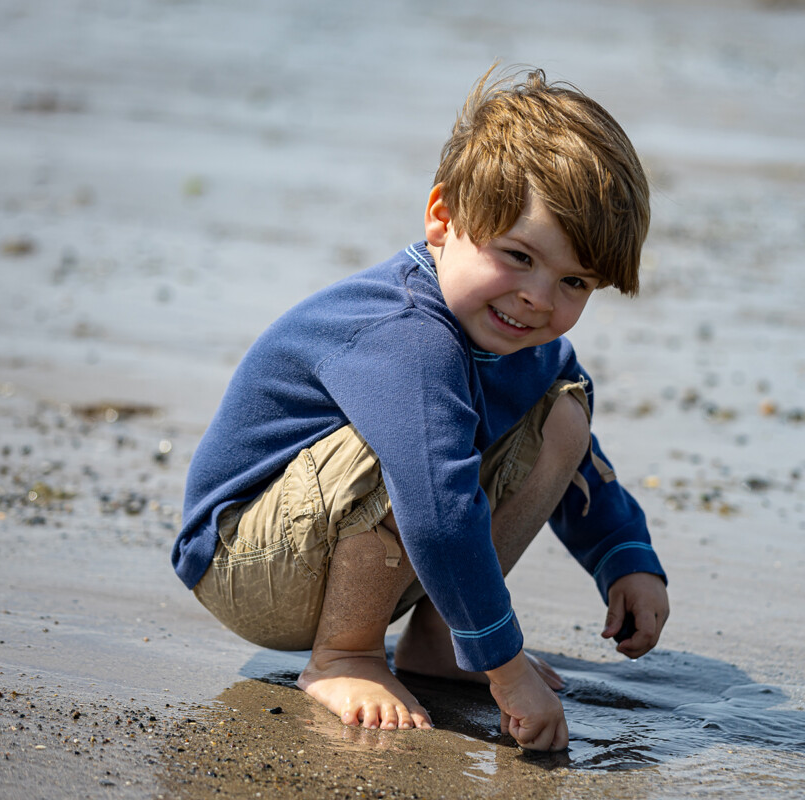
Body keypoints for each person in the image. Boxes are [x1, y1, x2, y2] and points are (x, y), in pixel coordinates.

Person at [171, 67, 669, 752]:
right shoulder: (406, 335)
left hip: (353, 547)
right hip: (248, 561)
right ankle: (345, 654)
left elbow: (579, 460)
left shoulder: (525, 340)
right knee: (414, 453)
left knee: (562, 415)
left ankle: (439, 642)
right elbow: (436, 508)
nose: (537, 298)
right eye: (518, 256)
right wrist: (506, 668)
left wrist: (624, 555)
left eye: (573, 282)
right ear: (443, 218)